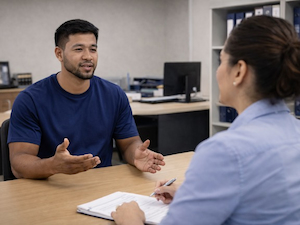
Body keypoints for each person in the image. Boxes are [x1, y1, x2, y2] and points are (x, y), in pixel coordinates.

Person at [111, 15, 300, 225]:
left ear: (239, 71)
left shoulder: (225, 152)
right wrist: (194, 195)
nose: (218, 71)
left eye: (220, 62)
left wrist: (131, 220)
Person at [7, 19, 165, 179]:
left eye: (93, 49)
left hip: (100, 187)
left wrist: (135, 154)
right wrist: (53, 166)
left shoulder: (114, 95)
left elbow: (130, 143)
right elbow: (19, 163)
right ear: (59, 54)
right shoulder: (30, 99)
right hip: (52, 186)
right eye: (78, 49)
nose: (88, 56)